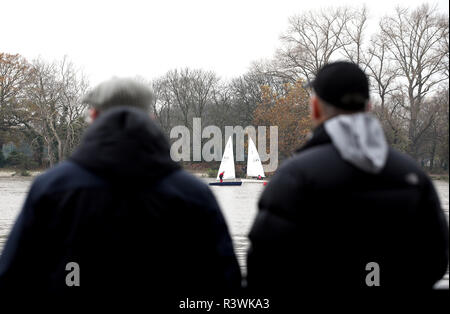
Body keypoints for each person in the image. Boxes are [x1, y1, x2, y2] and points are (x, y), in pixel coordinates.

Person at [0, 78, 241, 304]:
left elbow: (13, 279)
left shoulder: (51, 189)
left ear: (93, 115)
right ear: (151, 117)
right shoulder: (193, 194)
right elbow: (225, 286)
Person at [247, 62, 449, 297]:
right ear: (368, 107)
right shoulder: (413, 175)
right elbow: (435, 262)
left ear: (315, 109)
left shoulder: (294, 175)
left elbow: (263, 270)